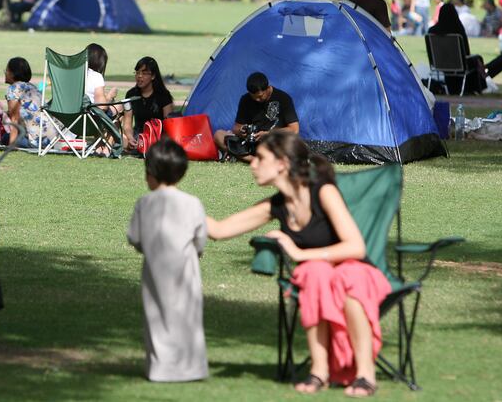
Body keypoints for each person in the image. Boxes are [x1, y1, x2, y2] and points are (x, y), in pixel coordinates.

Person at [206, 131, 390, 397]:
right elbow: (221, 230)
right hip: (320, 278)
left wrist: (299, 254)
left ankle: (365, 373)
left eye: (260, 158)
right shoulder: (278, 205)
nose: (253, 164)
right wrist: (173, 200)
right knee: (314, 274)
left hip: (356, 273)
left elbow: (355, 247)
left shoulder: (323, 191)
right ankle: (319, 371)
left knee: (344, 275)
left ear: (281, 163)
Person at [127, 138, 208, 382]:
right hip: (186, 268)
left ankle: (160, 368)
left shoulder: (144, 203)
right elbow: (200, 240)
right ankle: (192, 367)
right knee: (188, 317)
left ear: (150, 173)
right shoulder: (192, 203)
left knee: (157, 318)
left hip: (154, 269)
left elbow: (134, 237)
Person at [213, 72, 299, 162]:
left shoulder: (283, 98)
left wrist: (268, 133)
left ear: (268, 88)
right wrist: (242, 130)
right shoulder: (245, 99)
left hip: (273, 141)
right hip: (250, 143)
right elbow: (236, 127)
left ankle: (239, 155)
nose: (257, 100)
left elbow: (294, 129)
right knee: (218, 135)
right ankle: (256, 159)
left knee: (288, 146)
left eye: (260, 96)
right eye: (253, 97)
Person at [3, 56, 63, 149]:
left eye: (6, 70)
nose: (5, 73)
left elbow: (14, 119)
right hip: (53, 139)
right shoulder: (32, 87)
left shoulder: (13, 89)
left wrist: (11, 145)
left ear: (12, 73)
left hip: (37, 142)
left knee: (5, 137)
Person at [428, 3, 488, 94]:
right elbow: (466, 51)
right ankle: (478, 88)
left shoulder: (432, 31)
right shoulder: (458, 30)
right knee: (477, 58)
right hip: (459, 64)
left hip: (439, 64)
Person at [123, 57, 174, 149]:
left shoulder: (164, 96)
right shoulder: (131, 94)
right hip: (138, 136)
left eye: (144, 73)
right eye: (137, 72)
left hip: (158, 137)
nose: (139, 76)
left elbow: (169, 124)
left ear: (153, 76)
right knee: (122, 140)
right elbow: (127, 123)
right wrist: (130, 138)